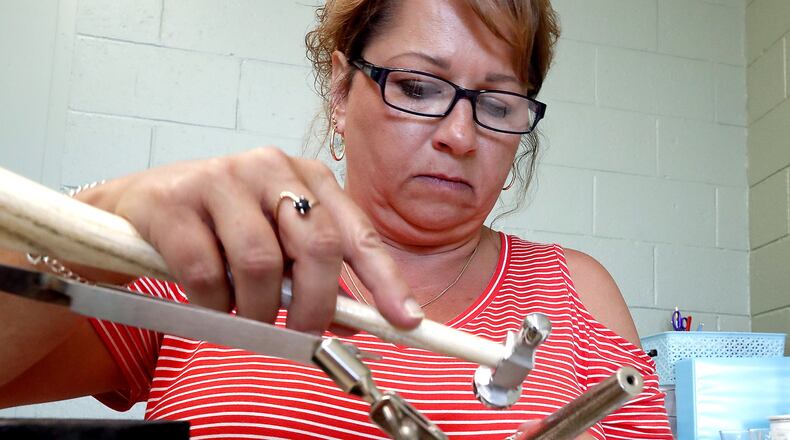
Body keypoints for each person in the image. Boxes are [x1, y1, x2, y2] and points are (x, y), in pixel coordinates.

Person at [0, 0, 674, 438]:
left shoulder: (576, 291)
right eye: (417, 86)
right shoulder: (218, 255)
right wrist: (94, 224)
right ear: (342, 91)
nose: (461, 136)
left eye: (498, 105)